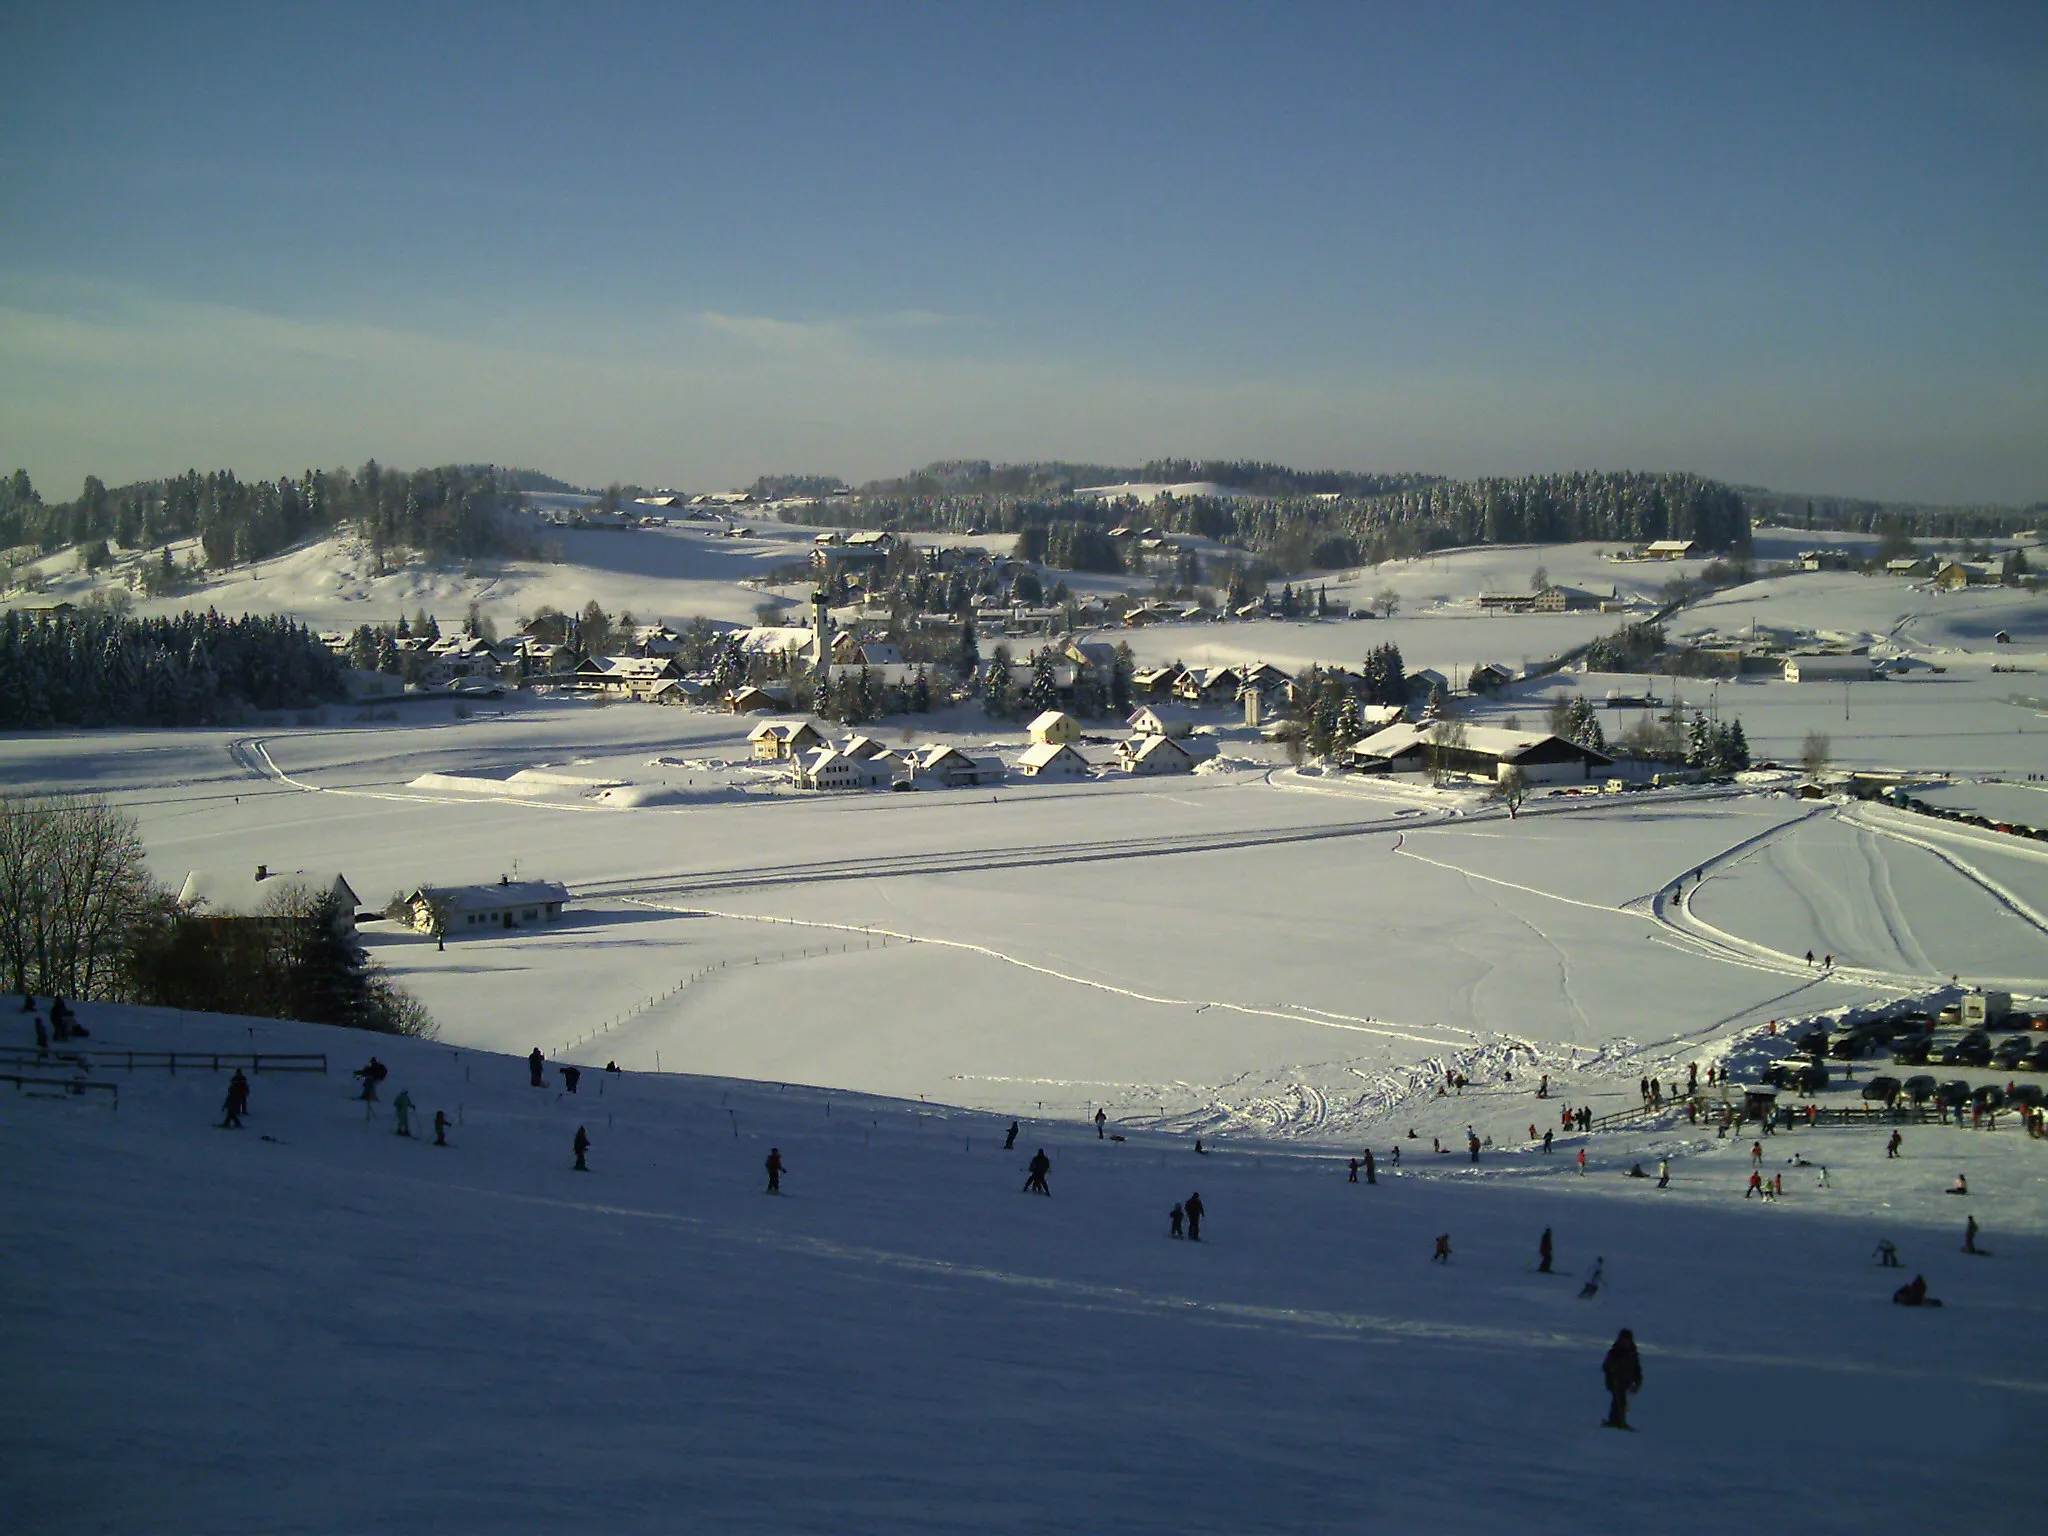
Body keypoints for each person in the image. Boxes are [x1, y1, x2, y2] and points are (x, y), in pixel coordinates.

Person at [1601, 1328, 1642, 1428]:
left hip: (1626, 1382)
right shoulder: (1614, 1352)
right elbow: (1606, 1366)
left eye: (1627, 1341)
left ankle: (1619, 1420)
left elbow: (1637, 1370)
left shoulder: (1632, 1354)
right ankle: (1616, 1420)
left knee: (1621, 1401)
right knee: (1618, 1400)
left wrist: (1637, 1382)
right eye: (1623, 1341)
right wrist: (1610, 1370)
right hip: (1615, 1381)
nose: (1625, 1343)